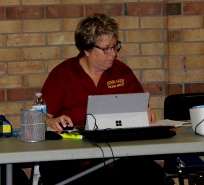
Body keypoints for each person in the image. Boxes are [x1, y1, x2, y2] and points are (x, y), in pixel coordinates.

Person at [39, 13, 164, 185]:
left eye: (115, 46)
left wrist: (144, 112)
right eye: (106, 49)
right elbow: (38, 115)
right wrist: (52, 121)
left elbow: (141, 107)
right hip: (74, 157)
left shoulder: (122, 72)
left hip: (119, 156)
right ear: (87, 50)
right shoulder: (63, 74)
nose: (113, 54)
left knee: (153, 175)